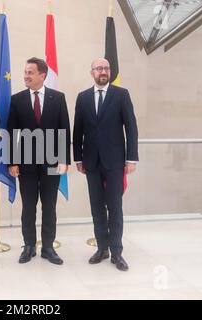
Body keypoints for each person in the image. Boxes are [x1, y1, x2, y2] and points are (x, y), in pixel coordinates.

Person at [73, 58, 138, 271]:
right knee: (97, 208)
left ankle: (117, 252)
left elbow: (131, 127)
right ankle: (102, 248)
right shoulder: (82, 98)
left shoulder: (121, 95)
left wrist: (131, 158)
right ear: (92, 72)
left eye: (106, 68)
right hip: (91, 162)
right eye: (99, 68)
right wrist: (78, 158)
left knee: (115, 207)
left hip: (115, 162)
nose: (103, 71)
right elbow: (78, 131)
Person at [7, 57, 71, 265]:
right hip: (25, 165)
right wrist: (12, 162)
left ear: (42, 75)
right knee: (28, 206)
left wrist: (65, 160)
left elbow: (64, 130)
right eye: (25, 72)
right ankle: (28, 246)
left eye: (30, 72)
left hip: (52, 164)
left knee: (49, 206)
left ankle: (48, 247)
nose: (25, 76)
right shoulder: (17, 100)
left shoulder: (58, 98)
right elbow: (12, 133)